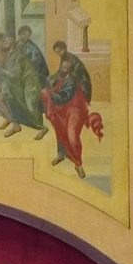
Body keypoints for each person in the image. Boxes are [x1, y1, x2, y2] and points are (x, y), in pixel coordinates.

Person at [43, 41, 103, 179]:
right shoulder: (64, 66)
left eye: (60, 51)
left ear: (64, 49)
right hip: (63, 106)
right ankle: (61, 154)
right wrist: (50, 81)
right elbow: (59, 78)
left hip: (75, 105)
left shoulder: (73, 68)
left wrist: (85, 100)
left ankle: (78, 163)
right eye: (56, 52)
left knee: (72, 135)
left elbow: (72, 88)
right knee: (60, 129)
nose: (59, 54)